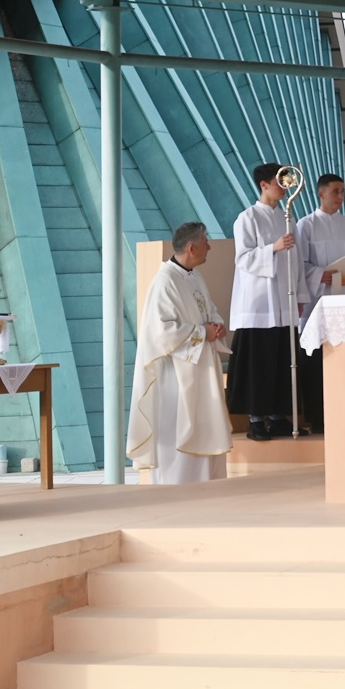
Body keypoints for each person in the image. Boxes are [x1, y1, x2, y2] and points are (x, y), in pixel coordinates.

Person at [126, 222, 234, 483]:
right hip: (175, 375)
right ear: (191, 247)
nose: (209, 246)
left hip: (200, 368)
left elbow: (207, 309)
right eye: (205, 241)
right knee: (179, 429)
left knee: (202, 424)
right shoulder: (164, 282)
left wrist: (216, 325)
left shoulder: (193, 275)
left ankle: (206, 485)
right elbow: (161, 331)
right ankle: (177, 486)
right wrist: (201, 333)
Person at [226, 162, 310, 441]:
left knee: (282, 361)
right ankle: (256, 419)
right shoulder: (247, 218)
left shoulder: (289, 219)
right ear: (264, 185)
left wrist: (299, 295)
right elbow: (243, 259)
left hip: (284, 300)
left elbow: (297, 261)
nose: (284, 187)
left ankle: (278, 415)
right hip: (259, 303)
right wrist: (272, 248)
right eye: (279, 181)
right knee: (259, 362)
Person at [295, 173, 345, 433]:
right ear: (321, 194)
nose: (340, 197)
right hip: (319, 302)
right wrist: (319, 274)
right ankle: (318, 418)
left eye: (342, 192)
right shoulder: (305, 225)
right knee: (317, 362)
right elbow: (300, 265)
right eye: (336, 192)